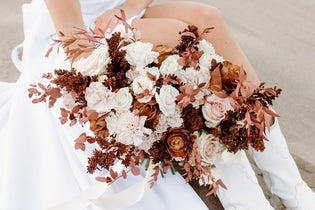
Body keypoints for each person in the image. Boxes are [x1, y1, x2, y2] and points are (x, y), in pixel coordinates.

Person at [0, 0, 314, 209]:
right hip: (74, 37)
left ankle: (288, 183)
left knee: (208, 19)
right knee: (183, 40)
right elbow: (75, 42)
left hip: (122, 9)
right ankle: (246, 199)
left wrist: (130, 7)